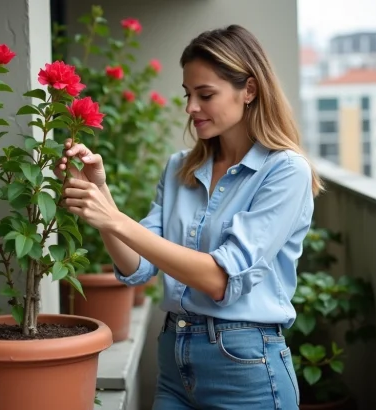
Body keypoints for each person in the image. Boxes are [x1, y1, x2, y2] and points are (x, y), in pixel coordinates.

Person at [57, 24, 322, 410]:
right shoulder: (180, 168)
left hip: (245, 367)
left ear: (249, 90)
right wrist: (101, 196)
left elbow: (218, 279)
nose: (190, 108)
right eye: (188, 94)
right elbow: (137, 266)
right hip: (174, 363)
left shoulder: (284, 172)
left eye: (205, 94)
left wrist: (115, 219)